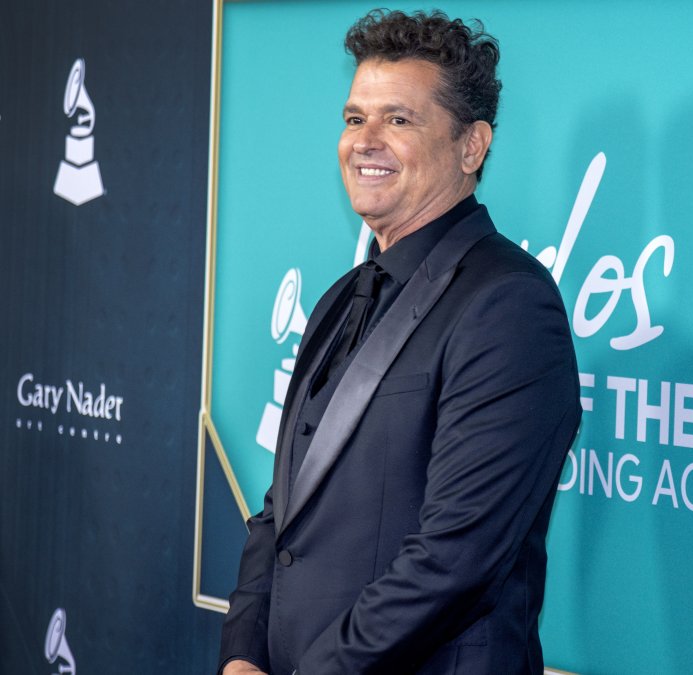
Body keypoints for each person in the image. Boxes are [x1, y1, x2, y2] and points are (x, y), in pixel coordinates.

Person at [218, 9, 581, 674]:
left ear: (471, 147)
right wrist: (243, 651)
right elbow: (282, 509)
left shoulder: (509, 306)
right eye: (356, 118)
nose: (365, 140)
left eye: (399, 119)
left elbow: (454, 557)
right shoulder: (339, 299)